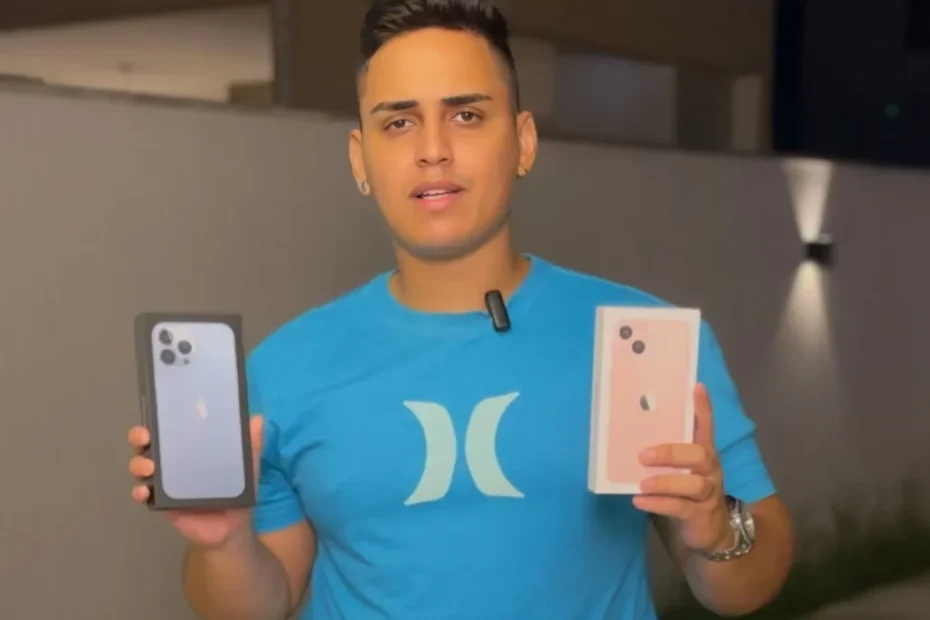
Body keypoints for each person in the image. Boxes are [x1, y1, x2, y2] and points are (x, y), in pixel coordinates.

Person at [127, 1, 795, 618]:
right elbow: (262, 603)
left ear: (523, 142)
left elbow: (745, 587)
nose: (432, 149)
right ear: (361, 159)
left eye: (467, 115)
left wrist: (719, 530)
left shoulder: (642, 339)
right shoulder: (285, 368)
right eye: (398, 122)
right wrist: (224, 545)